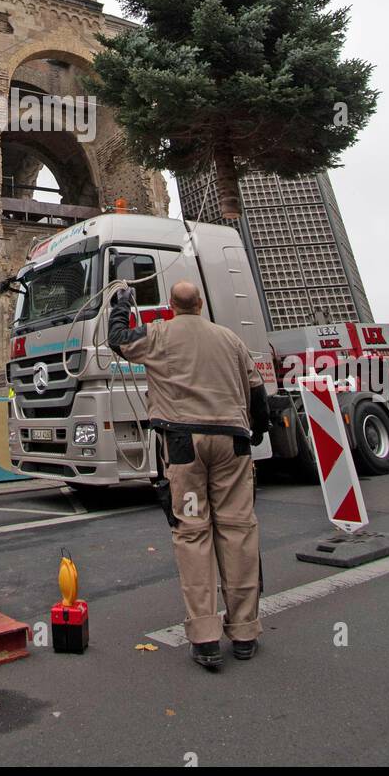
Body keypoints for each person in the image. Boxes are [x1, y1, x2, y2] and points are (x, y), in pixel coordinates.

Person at [108, 279, 269, 671]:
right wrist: (258, 430)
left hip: (184, 446)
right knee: (238, 530)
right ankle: (245, 632)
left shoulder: (159, 334)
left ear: (172, 306)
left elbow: (118, 338)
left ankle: (205, 638)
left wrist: (122, 303)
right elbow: (257, 390)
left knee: (193, 532)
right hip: (232, 444)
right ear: (200, 304)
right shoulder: (230, 339)